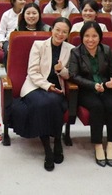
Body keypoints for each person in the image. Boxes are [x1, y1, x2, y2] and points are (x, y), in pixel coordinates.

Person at [9, 17, 73, 171]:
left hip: (57, 89)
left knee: (53, 102)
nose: (60, 34)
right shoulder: (38, 45)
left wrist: (61, 70)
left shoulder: (71, 49)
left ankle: (57, 140)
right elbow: (32, 72)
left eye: (64, 32)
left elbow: (71, 74)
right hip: (35, 87)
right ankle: (48, 149)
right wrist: (47, 86)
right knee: (44, 104)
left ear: (68, 34)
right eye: (57, 30)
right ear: (52, 29)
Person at [67, 21, 112, 167]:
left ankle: (111, 145)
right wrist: (93, 85)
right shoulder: (76, 52)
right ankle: (98, 145)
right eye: (87, 36)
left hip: (106, 88)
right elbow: (74, 76)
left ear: (100, 37)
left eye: (94, 36)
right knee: (97, 107)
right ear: (82, 37)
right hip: (86, 90)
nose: (90, 40)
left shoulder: (107, 50)